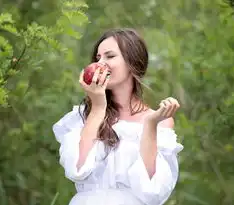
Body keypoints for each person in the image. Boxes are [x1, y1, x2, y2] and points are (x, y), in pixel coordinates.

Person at [52, 28, 184, 205]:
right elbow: (77, 169)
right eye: (98, 58)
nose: (101, 64)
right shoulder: (83, 116)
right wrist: (98, 107)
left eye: (110, 56)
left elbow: (152, 190)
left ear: (132, 62)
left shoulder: (160, 121)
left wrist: (150, 125)